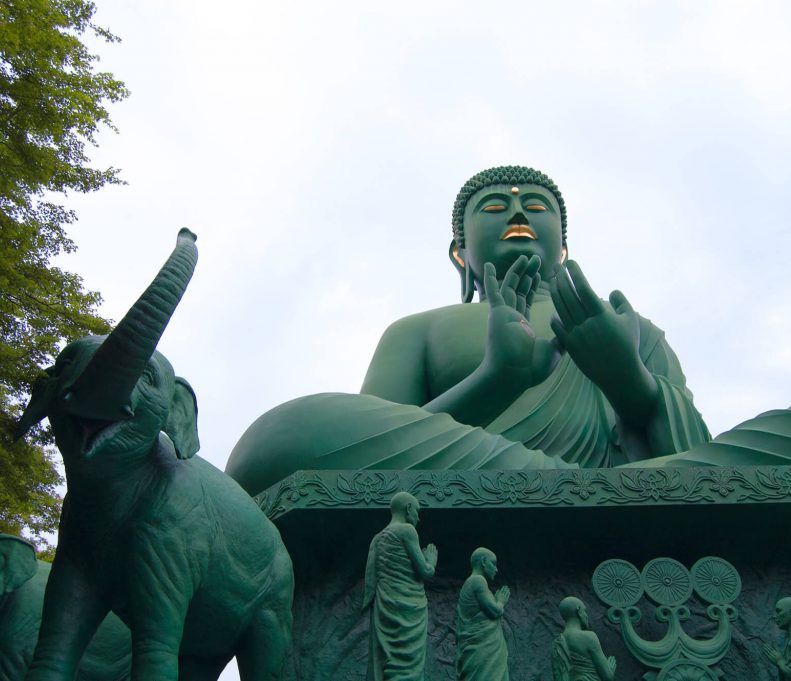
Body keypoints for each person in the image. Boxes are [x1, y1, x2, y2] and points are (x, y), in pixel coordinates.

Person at [228, 166, 711, 494]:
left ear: (562, 249)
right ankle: (562, 484)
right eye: (496, 207)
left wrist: (631, 383)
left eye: (538, 208)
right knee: (277, 441)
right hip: (472, 480)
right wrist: (495, 379)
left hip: (613, 493)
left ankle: (575, 489)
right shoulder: (419, 330)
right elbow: (375, 456)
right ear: (460, 253)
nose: (519, 215)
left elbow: (696, 466)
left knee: (789, 430)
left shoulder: (628, 328)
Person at [363, 491, 438, 681]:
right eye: (417, 512)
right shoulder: (407, 530)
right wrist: (431, 561)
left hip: (384, 605)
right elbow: (425, 572)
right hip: (408, 606)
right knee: (407, 661)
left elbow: (372, 581)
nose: (418, 518)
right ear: (409, 508)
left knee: (388, 656)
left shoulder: (377, 538)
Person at [456, 548, 511, 681]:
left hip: (481, 649)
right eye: (494, 564)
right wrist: (501, 601)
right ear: (484, 561)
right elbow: (494, 611)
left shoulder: (472, 583)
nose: (496, 569)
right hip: (482, 650)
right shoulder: (477, 581)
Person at [552, 597, 616, 681]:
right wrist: (610, 667)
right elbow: (608, 677)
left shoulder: (556, 643)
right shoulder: (589, 637)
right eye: (585, 611)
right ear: (579, 610)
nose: (586, 616)